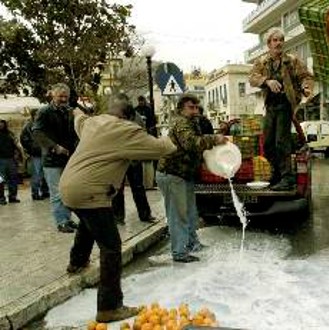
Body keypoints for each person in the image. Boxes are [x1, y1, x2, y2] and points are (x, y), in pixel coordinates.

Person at [59, 94, 177, 323]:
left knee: (88, 221)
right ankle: (109, 307)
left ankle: (77, 262)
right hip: (90, 191)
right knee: (111, 247)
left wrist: (74, 109)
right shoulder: (126, 130)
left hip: (68, 187)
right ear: (128, 116)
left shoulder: (92, 122)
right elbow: (161, 148)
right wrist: (173, 135)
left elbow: (78, 118)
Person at [156, 94, 226, 263]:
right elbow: (191, 143)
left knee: (190, 213)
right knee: (178, 215)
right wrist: (214, 139)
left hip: (184, 174)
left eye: (196, 107)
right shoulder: (181, 122)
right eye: (190, 107)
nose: (195, 110)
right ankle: (180, 253)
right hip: (172, 174)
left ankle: (192, 244)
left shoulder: (192, 122)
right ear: (181, 109)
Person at [249, 27, 314, 191]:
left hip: (285, 105)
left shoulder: (291, 61)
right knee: (269, 143)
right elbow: (252, 78)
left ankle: (287, 178)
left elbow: (305, 76)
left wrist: (306, 87)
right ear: (269, 44)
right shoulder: (262, 62)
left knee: (281, 142)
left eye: (281, 40)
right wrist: (266, 81)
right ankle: (276, 175)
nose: (279, 43)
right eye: (275, 40)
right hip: (270, 106)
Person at [33, 83, 79, 233]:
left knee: (67, 190)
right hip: (52, 159)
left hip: (68, 158)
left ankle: (67, 219)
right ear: (53, 95)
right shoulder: (44, 112)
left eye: (66, 96)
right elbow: (37, 133)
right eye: (61, 96)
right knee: (57, 192)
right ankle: (61, 221)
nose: (64, 99)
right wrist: (55, 147)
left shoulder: (69, 111)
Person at [112, 104, 157, 224]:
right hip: (119, 160)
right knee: (118, 189)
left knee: (138, 187)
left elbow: (142, 135)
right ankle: (118, 217)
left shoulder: (136, 119)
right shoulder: (113, 119)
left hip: (134, 159)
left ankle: (145, 215)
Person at [21, 108, 50, 200]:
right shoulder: (28, 126)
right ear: (33, 115)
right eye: (37, 114)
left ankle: (45, 191)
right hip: (36, 154)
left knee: (46, 173)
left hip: (45, 152)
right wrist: (31, 149)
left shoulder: (44, 125)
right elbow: (23, 139)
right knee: (37, 174)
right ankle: (35, 193)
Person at [0, 119, 21, 204]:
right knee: (1, 181)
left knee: (13, 179)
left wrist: (17, 155)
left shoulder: (10, 134)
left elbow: (16, 145)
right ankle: (1, 198)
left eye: (2, 124)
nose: (1, 126)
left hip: (11, 159)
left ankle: (12, 197)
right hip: (0, 160)